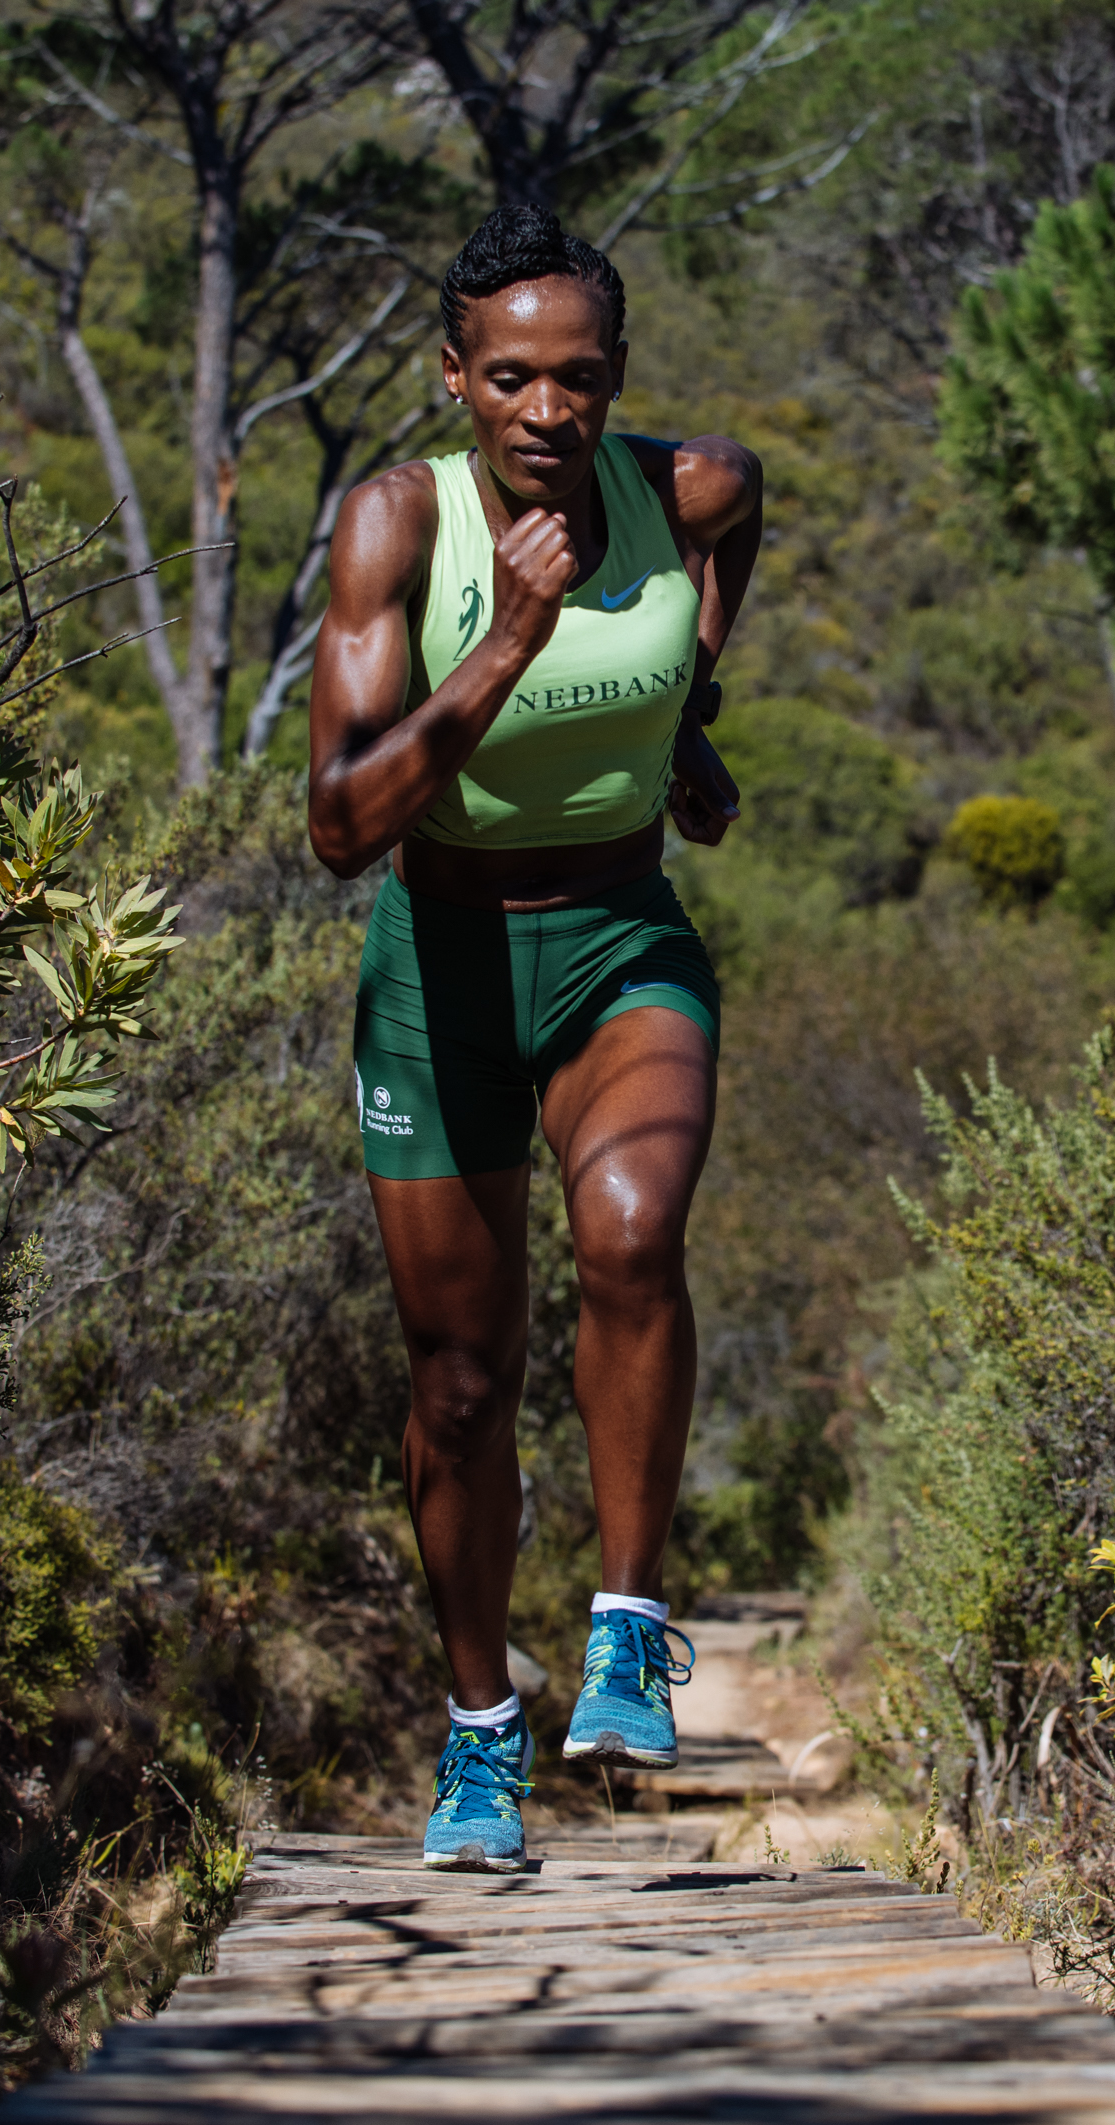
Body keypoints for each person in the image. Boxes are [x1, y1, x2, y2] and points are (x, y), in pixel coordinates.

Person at [305, 203, 759, 1872]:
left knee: (634, 1233)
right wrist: (510, 637)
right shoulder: (396, 527)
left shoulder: (676, 490)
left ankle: (630, 1626)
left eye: (579, 377)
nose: (549, 411)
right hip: (440, 968)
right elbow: (340, 825)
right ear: (456, 376)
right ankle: (481, 1727)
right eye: (511, 378)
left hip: (621, 937)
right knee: (460, 1383)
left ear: (616, 373)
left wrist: (686, 716)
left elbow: (742, 509)